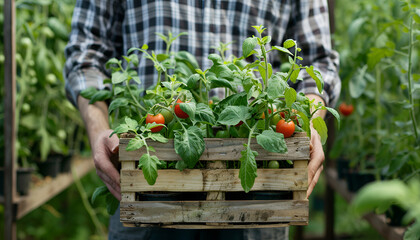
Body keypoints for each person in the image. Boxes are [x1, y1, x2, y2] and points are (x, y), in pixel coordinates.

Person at [64, 0, 341, 239]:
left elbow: (317, 60)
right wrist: (99, 128)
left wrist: (306, 122)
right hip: (148, 194)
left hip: (260, 195)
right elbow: (87, 53)